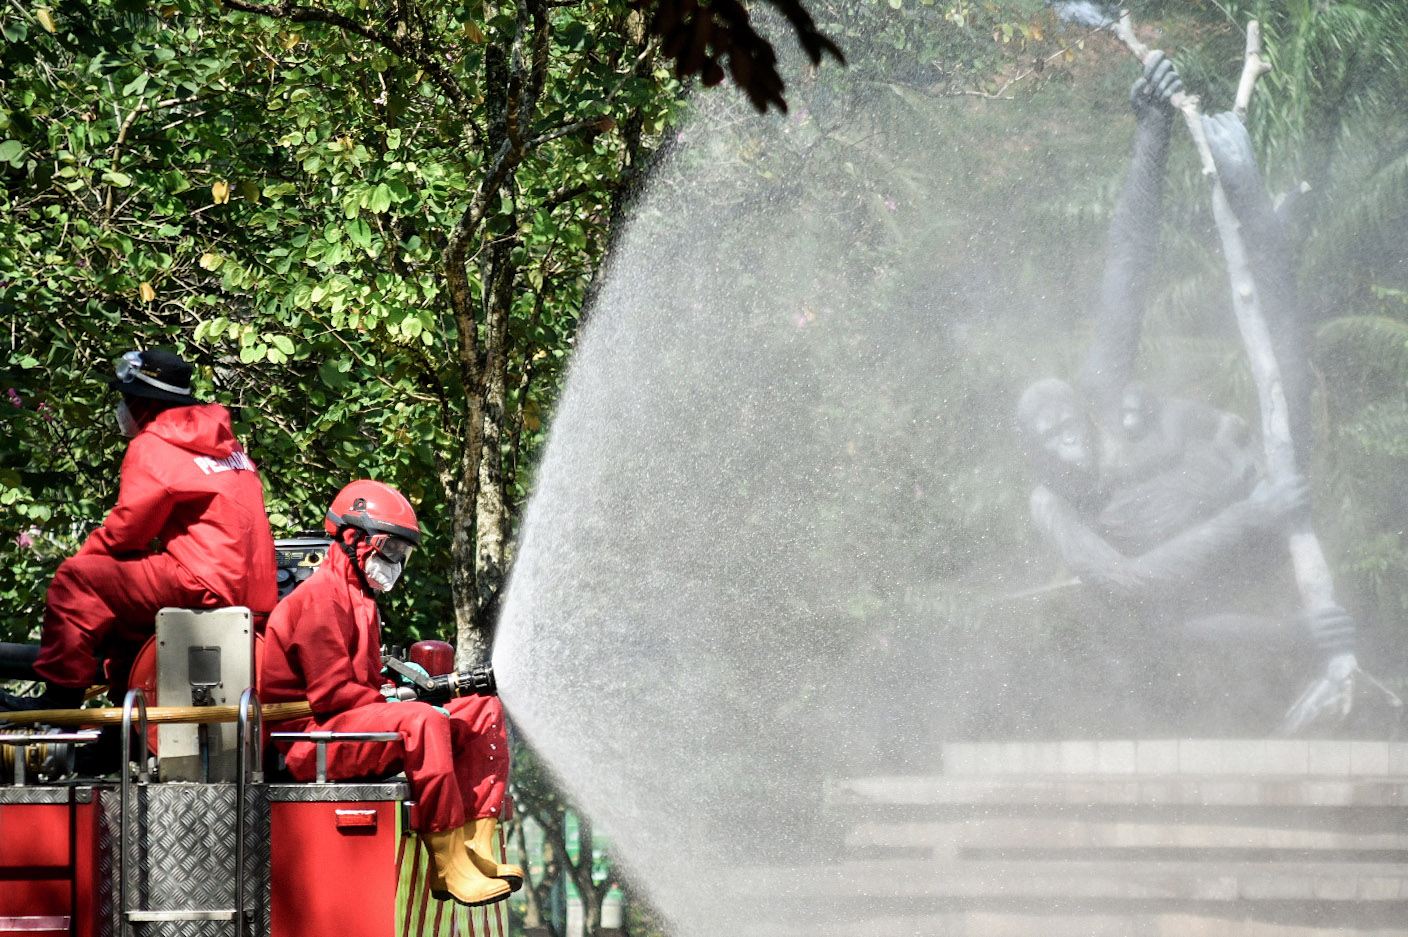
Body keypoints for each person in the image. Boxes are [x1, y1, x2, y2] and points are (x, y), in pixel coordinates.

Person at [1014, 54, 1352, 733]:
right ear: (1031, 454)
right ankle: (1259, 212)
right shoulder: (1051, 503)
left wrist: (1151, 135)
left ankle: (1255, 208)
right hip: (1229, 552)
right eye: (1047, 440)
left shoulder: (1100, 398)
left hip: (1257, 484)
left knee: (1282, 382)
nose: (1067, 442)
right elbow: (1134, 585)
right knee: (1150, 618)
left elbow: (1126, 272)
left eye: (1065, 424)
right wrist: (1280, 601)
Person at [259, 480, 521, 908]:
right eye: (390, 548)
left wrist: (399, 696)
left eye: (403, 553)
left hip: (348, 726)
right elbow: (335, 697)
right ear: (351, 537)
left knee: (479, 708)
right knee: (425, 721)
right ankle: (448, 865)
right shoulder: (319, 600)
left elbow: (364, 693)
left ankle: (476, 848)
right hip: (308, 742)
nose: (395, 561)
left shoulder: (360, 598)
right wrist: (407, 702)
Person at [1, 349, 278, 711]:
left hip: (204, 582)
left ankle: (60, 698)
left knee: (77, 579)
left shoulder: (154, 445)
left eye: (125, 399)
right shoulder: (226, 443)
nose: (122, 409)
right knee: (124, 612)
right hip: (253, 587)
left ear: (143, 402)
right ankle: (124, 731)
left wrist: (83, 561)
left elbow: (127, 531)